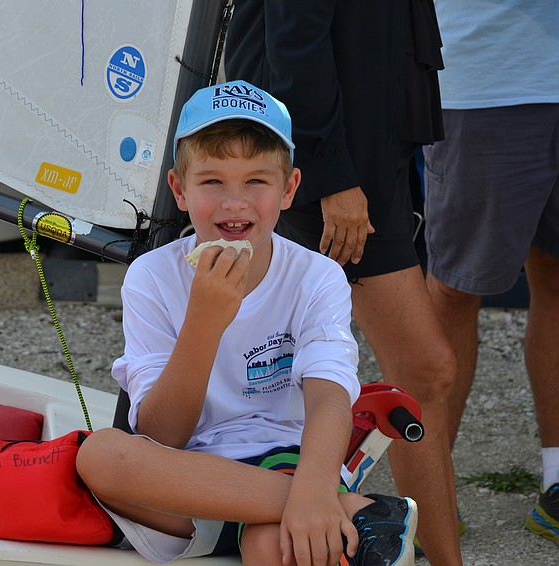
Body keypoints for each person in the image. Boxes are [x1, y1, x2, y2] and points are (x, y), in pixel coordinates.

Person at [76, 80, 417, 566]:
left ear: (289, 189)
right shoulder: (151, 276)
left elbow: (330, 397)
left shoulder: (315, 275)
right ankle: (358, 511)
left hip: (291, 456)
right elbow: (160, 437)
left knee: (270, 547)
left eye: (256, 181)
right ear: (179, 189)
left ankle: (314, 505)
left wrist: (314, 484)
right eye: (212, 181)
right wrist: (203, 323)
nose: (234, 203)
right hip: (194, 480)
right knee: (101, 455)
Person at [223, 2, 463, 564]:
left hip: (368, 154)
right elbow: (293, 42)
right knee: (426, 369)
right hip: (334, 169)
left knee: (410, 373)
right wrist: (332, 179)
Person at [421, 1, 559, 547]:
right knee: (456, 287)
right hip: (485, 78)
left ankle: (556, 479)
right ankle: (427, 490)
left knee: (556, 283)